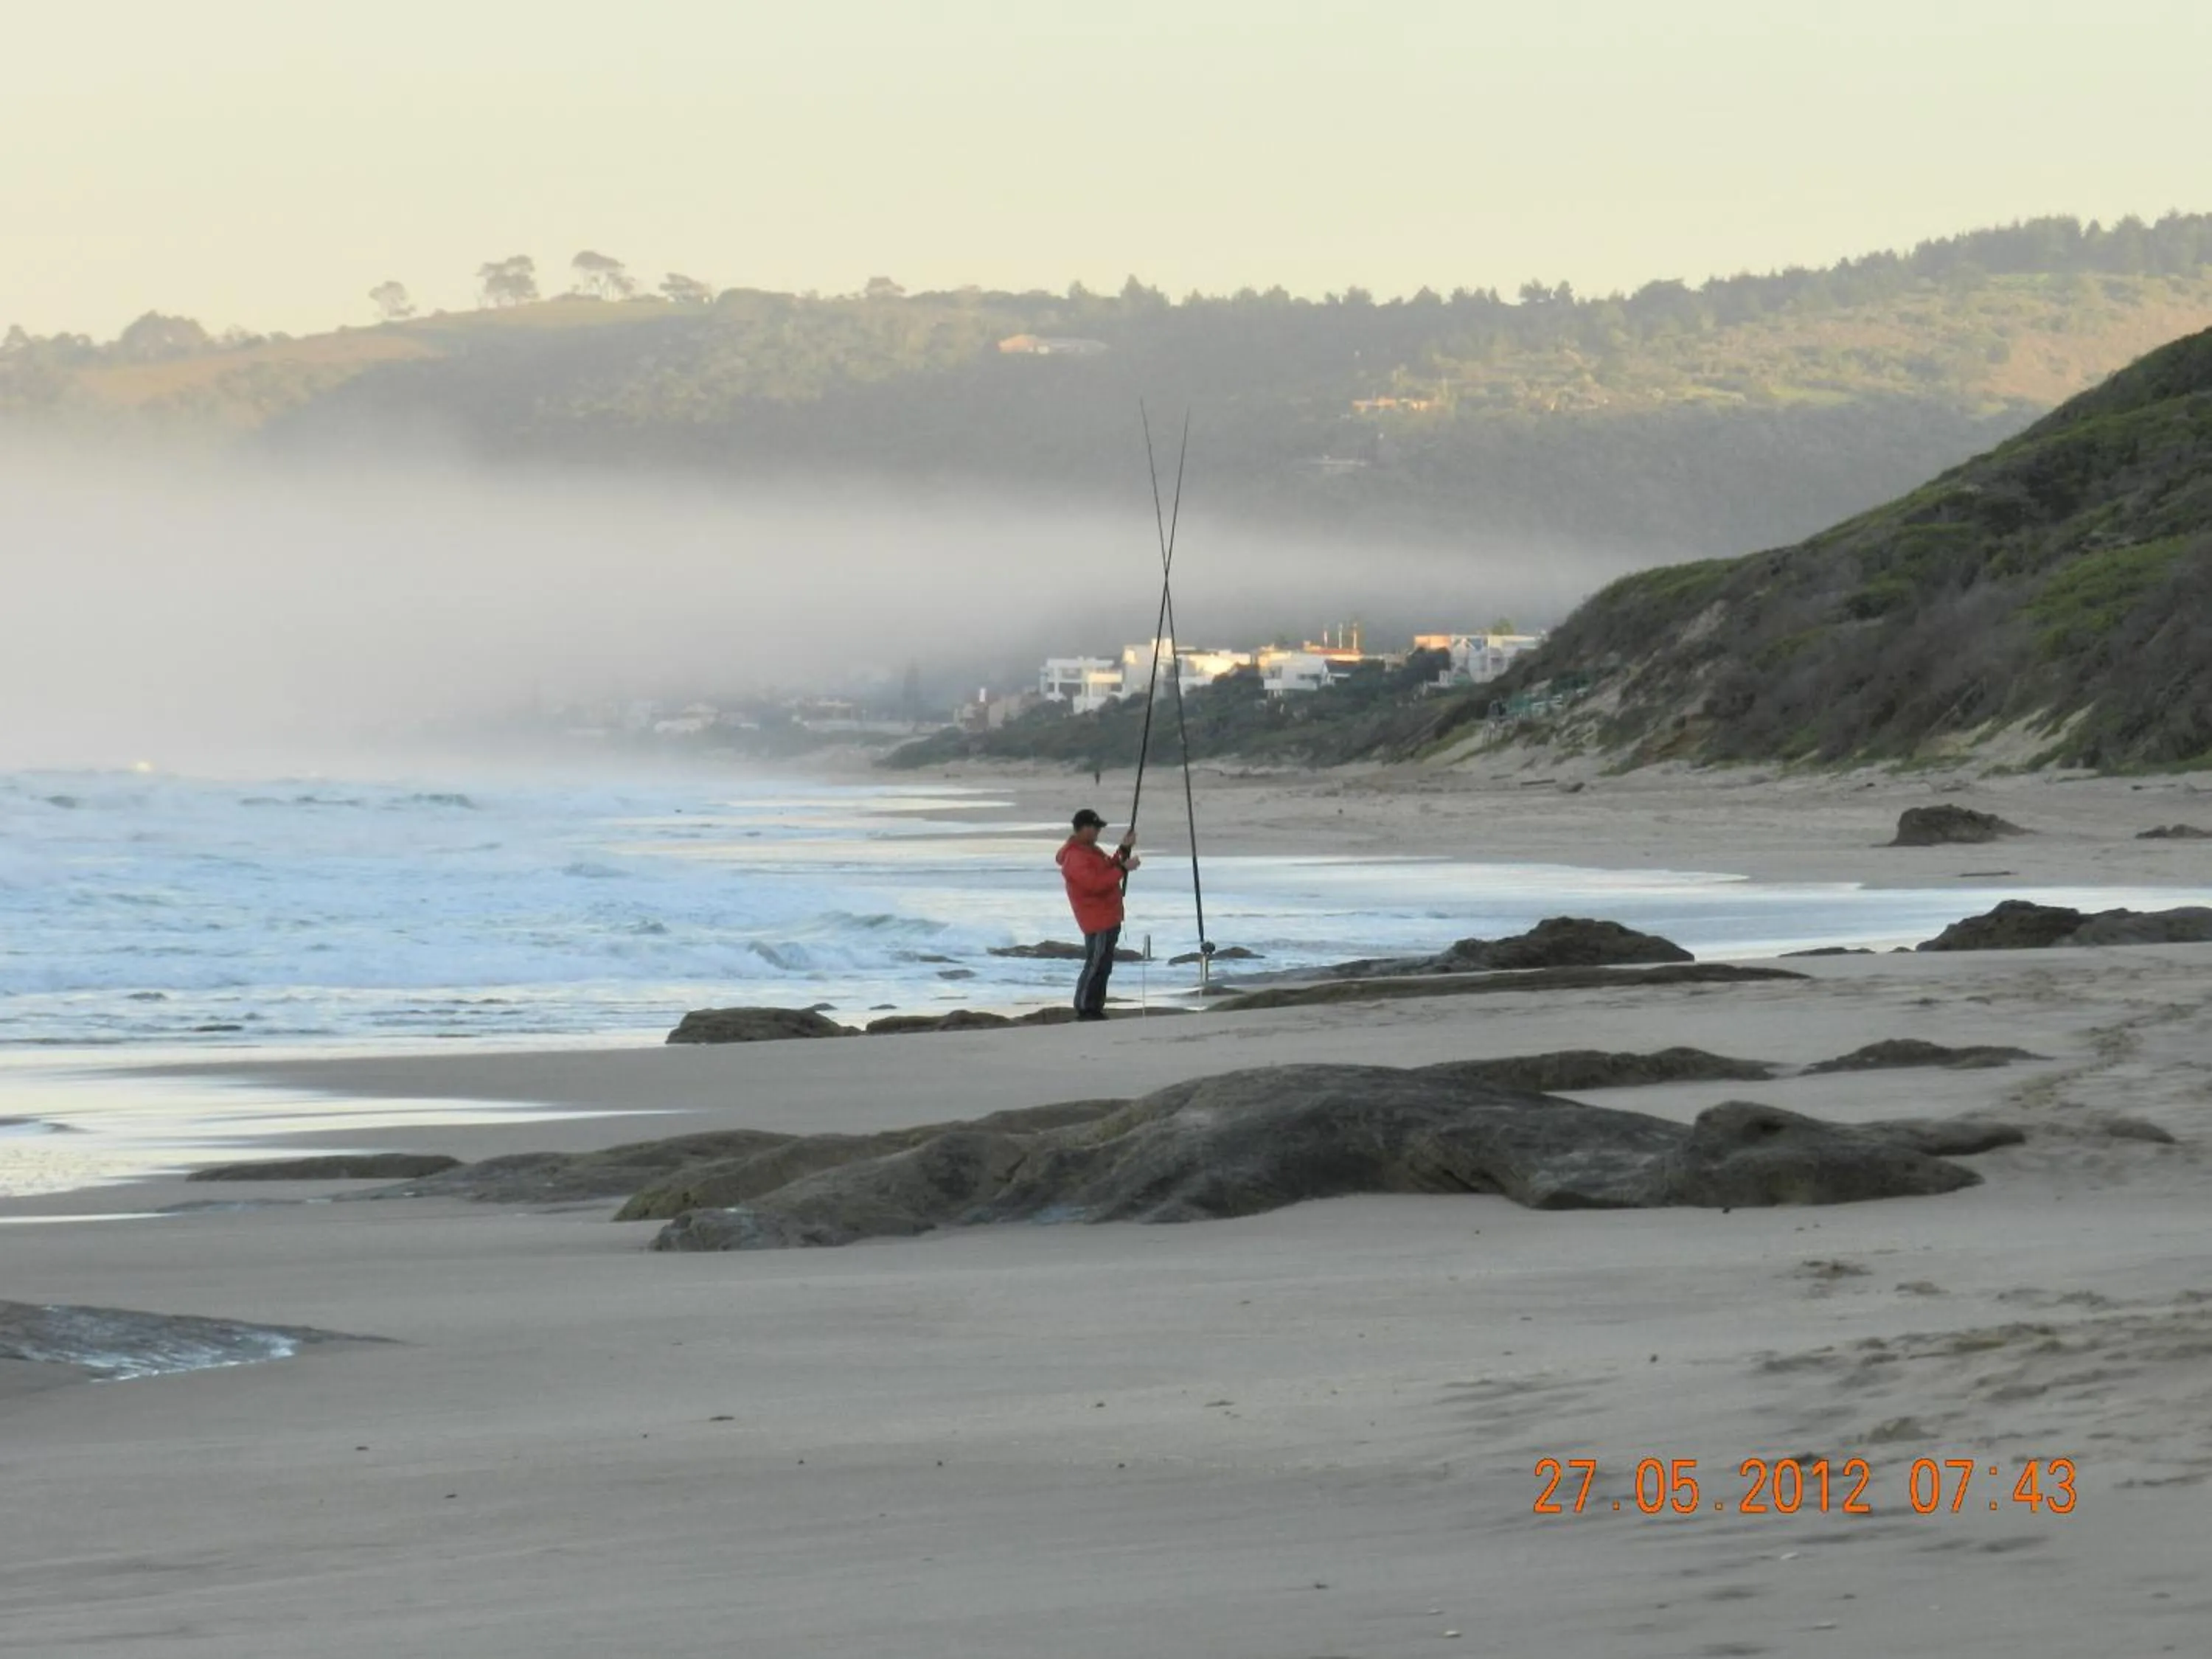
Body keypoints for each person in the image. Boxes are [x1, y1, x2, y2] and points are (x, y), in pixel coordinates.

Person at [1057, 808, 1138, 1020]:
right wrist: (1123, 869)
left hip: (1106, 914)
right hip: (1097, 917)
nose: (1097, 833)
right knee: (1096, 963)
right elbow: (1094, 884)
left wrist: (1124, 849)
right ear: (1083, 828)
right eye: (1095, 828)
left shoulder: (1089, 851)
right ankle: (1086, 1007)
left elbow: (1107, 867)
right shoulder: (1076, 856)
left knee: (1102, 964)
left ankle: (1093, 1006)